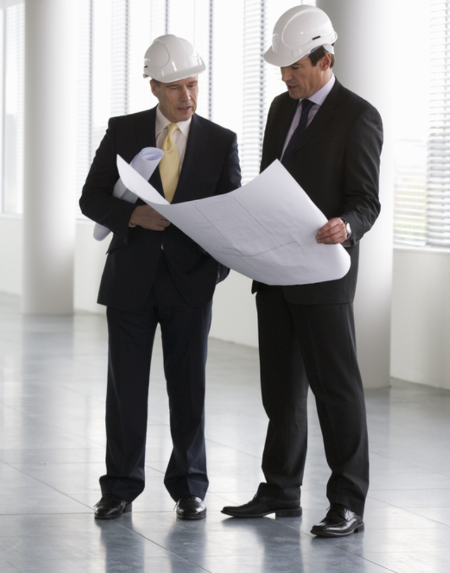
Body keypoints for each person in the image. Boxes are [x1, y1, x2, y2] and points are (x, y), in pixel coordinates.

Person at [220, 6, 382, 538]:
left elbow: (366, 202)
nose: (285, 76)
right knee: (281, 389)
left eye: (294, 67)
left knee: (337, 391)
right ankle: (281, 489)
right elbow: (272, 185)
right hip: (275, 271)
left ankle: (348, 502)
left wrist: (347, 226)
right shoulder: (279, 108)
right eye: (282, 67)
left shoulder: (358, 116)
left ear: (325, 60)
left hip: (324, 274)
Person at [80, 34, 241, 521]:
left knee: (188, 387)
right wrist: (134, 218)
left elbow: (232, 216)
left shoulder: (220, 141)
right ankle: (121, 486)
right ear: (154, 87)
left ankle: (189, 486)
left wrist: (213, 272)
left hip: (190, 283)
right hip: (131, 279)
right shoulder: (123, 131)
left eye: (193, 85)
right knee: (125, 389)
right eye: (175, 88)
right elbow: (91, 198)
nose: (187, 97)